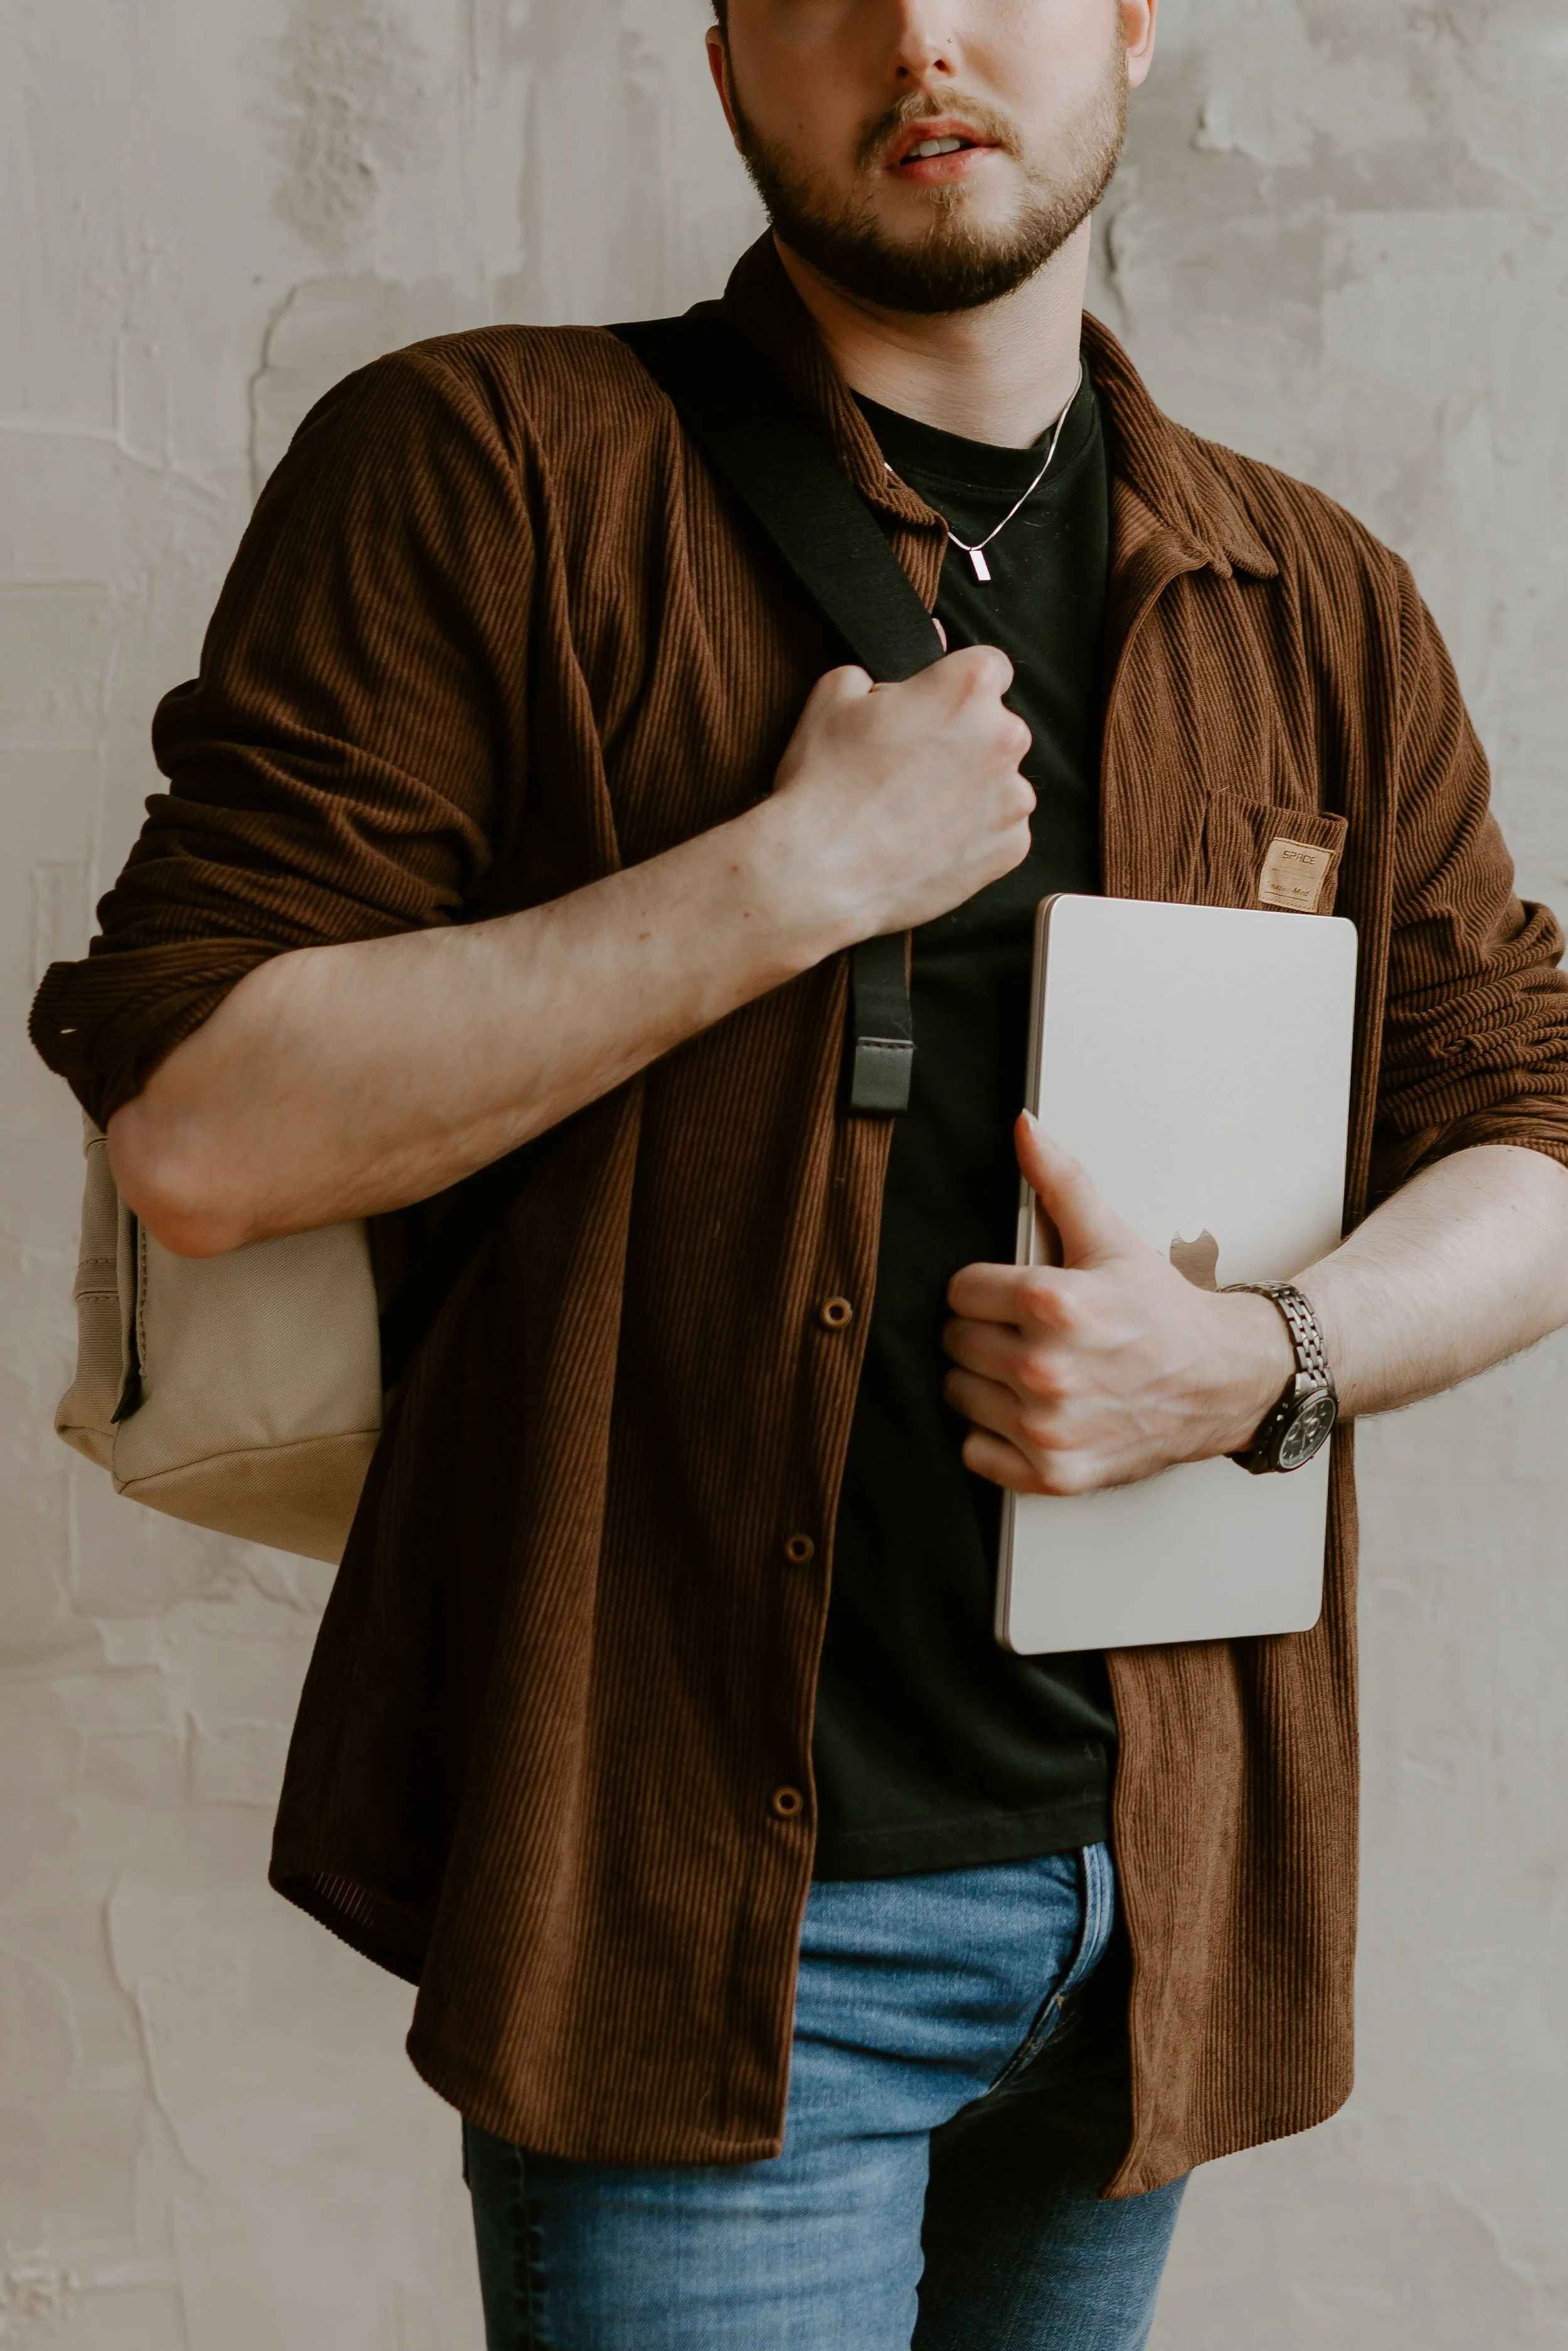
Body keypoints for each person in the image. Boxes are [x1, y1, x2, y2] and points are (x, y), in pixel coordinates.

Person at [30, 1, 1568, 2343]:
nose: (923, 37)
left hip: (1151, 1902)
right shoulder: (488, 463)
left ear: (1134, 30)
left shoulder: (1307, 593)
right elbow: (204, 1131)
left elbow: (1528, 1115)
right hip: (705, 1936)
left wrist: (1271, 1358)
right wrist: (786, 877)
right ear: (730, 53)